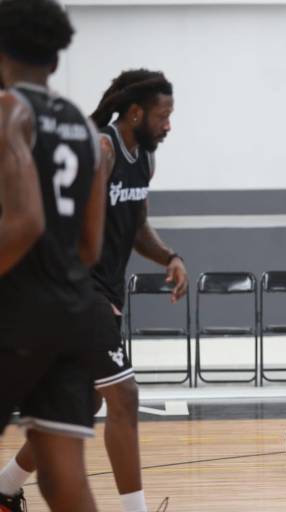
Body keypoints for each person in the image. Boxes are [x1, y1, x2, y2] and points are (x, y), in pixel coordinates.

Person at [0, 69, 188, 512]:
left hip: (102, 292)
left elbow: (137, 225)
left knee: (80, 404)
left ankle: (5, 488)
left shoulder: (145, 158)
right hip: (80, 291)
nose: (168, 125)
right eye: (163, 116)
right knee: (124, 396)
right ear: (136, 112)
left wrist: (170, 257)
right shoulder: (102, 150)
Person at [0, 0, 109, 510]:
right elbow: (89, 246)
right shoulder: (87, 131)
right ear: (57, 59)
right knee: (64, 479)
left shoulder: (7, 110)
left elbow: (24, 223)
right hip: (72, 309)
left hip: (17, 307)